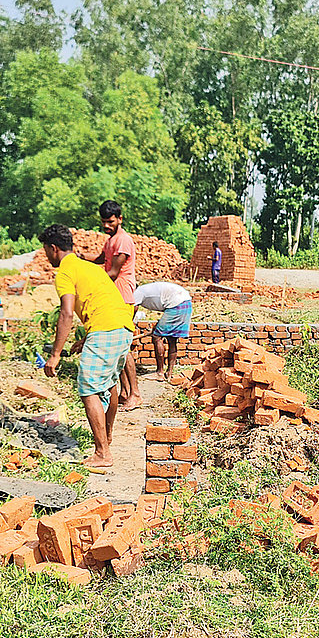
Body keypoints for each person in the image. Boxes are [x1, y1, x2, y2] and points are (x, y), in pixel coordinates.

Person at [40, 224, 136, 469]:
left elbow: (66, 313)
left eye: (45, 250)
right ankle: (108, 437)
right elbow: (104, 302)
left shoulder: (65, 272)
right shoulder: (89, 267)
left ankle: (103, 453)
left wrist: (55, 354)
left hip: (106, 328)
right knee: (109, 383)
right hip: (122, 326)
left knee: (88, 388)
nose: (46, 255)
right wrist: (87, 339)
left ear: (53, 248)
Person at [91, 200, 142, 410]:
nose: (106, 226)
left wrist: (90, 283)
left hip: (123, 297)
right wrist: (75, 259)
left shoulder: (123, 241)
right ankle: (124, 391)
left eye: (110, 221)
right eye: (103, 222)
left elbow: (112, 273)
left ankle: (136, 394)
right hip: (114, 297)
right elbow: (100, 260)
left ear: (120, 219)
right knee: (117, 347)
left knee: (123, 347)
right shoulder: (110, 241)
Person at [133, 281, 193, 381]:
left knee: (156, 337)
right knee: (172, 339)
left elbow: (133, 310)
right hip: (185, 302)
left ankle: (159, 373)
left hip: (176, 303)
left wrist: (128, 326)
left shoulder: (136, 292)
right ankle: (169, 373)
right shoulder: (144, 289)